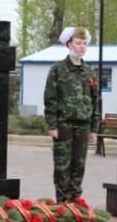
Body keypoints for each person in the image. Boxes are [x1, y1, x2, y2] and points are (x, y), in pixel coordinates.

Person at [43, 27, 100, 202]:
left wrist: (94, 128)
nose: (82, 47)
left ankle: (76, 200)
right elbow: (50, 98)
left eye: (84, 43)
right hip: (64, 124)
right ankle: (63, 201)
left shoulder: (90, 72)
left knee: (79, 164)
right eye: (78, 43)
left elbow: (95, 100)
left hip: (83, 124)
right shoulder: (57, 69)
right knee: (62, 165)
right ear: (69, 44)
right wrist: (52, 125)